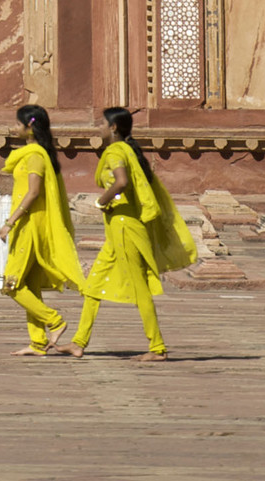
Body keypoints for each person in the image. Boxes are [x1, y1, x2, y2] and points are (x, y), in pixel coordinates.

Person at [56, 107, 196, 363]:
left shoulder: (115, 151)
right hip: (120, 229)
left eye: (102, 124)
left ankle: (157, 348)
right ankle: (78, 342)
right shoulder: (129, 151)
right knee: (93, 284)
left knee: (139, 288)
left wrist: (101, 201)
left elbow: (121, 182)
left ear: (113, 128)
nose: (98, 128)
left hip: (125, 229)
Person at [0, 103, 84, 356]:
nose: (14, 128)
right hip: (28, 223)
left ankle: (54, 320)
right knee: (30, 285)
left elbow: (33, 192)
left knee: (11, 285)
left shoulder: (35, 156)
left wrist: (9, 222)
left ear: (30, 126)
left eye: (17, 124)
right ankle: (37, 343)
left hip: (30, 226)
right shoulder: (30, 154)